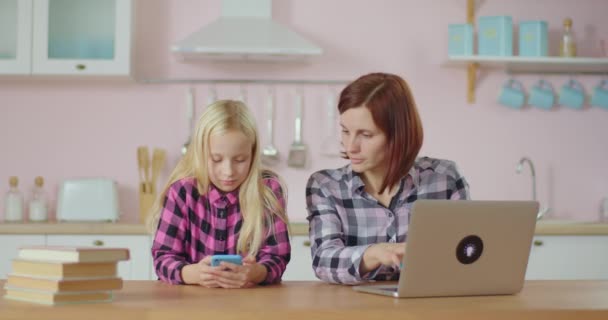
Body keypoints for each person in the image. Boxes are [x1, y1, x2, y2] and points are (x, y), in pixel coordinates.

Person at [306, 72, 470, 285]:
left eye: (366, 135)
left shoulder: (444, 178)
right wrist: (374, 254)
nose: (350, 146)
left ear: (399, 134)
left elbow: (466, 253)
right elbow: (323, 261)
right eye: (346, 131)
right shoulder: (326, 186)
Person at [149, 100, 291, 288]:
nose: (228, 171)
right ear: (200, 153)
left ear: (253, 153)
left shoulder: (268, 191)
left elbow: (277, 257)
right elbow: (163, 258)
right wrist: (192, 274)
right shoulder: (182, 192)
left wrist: (255, 272)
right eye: (216, 159)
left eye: (240, 159)